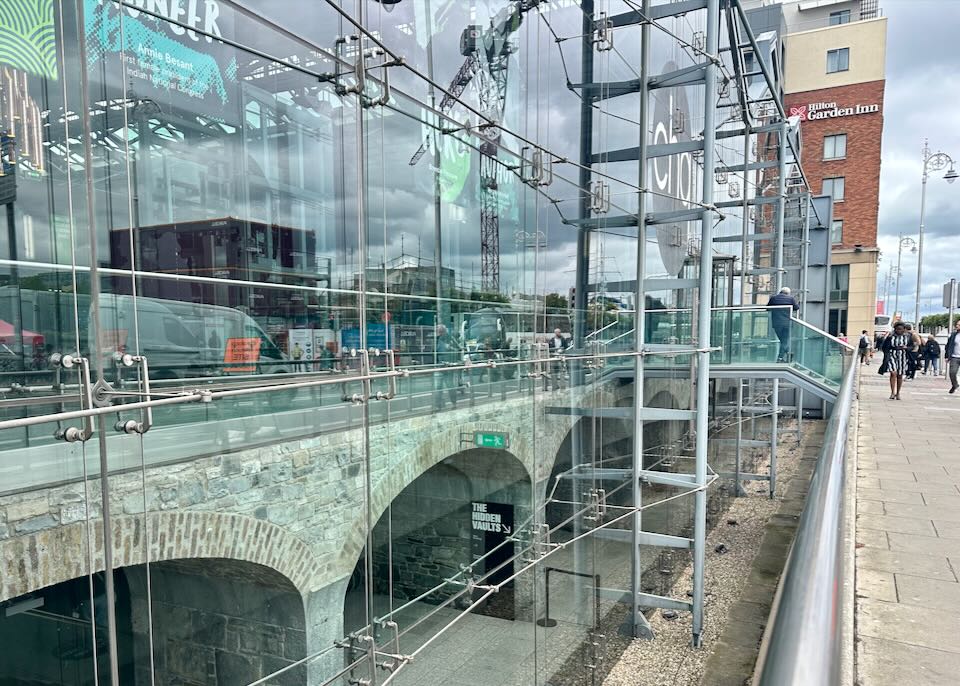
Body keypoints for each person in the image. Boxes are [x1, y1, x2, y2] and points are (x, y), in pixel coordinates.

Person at [766, 287, 800, 362]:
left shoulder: (773, 298)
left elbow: (767, 308)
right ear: (788, 293)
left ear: (780, 292)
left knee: (783, 341)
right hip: (787, 323)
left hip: (776, 323)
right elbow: (796, 308)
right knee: (784, 341)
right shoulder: (790, 298)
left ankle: (788, 354)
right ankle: (780, 358)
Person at [880, 321, 910, 400]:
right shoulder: (890, 337)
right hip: (892, 355)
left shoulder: (907, 337)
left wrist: (907, 348)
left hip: (902, 356)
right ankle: (892, 392)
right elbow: (884, 346)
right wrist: (887, 353)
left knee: (900, 375)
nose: (899, 331)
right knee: (893, 373)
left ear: (904, 329)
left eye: (901, 329)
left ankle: (898, 393)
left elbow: (912, 346)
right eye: (897, 329)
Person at [946, 320, 960, 393]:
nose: (957, 326)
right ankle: (955, 385)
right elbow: (948, 345)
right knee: (952, 372)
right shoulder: (954, 335)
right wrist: (947, 356)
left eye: (959, 325)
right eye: (957, 324)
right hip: (955, 356)